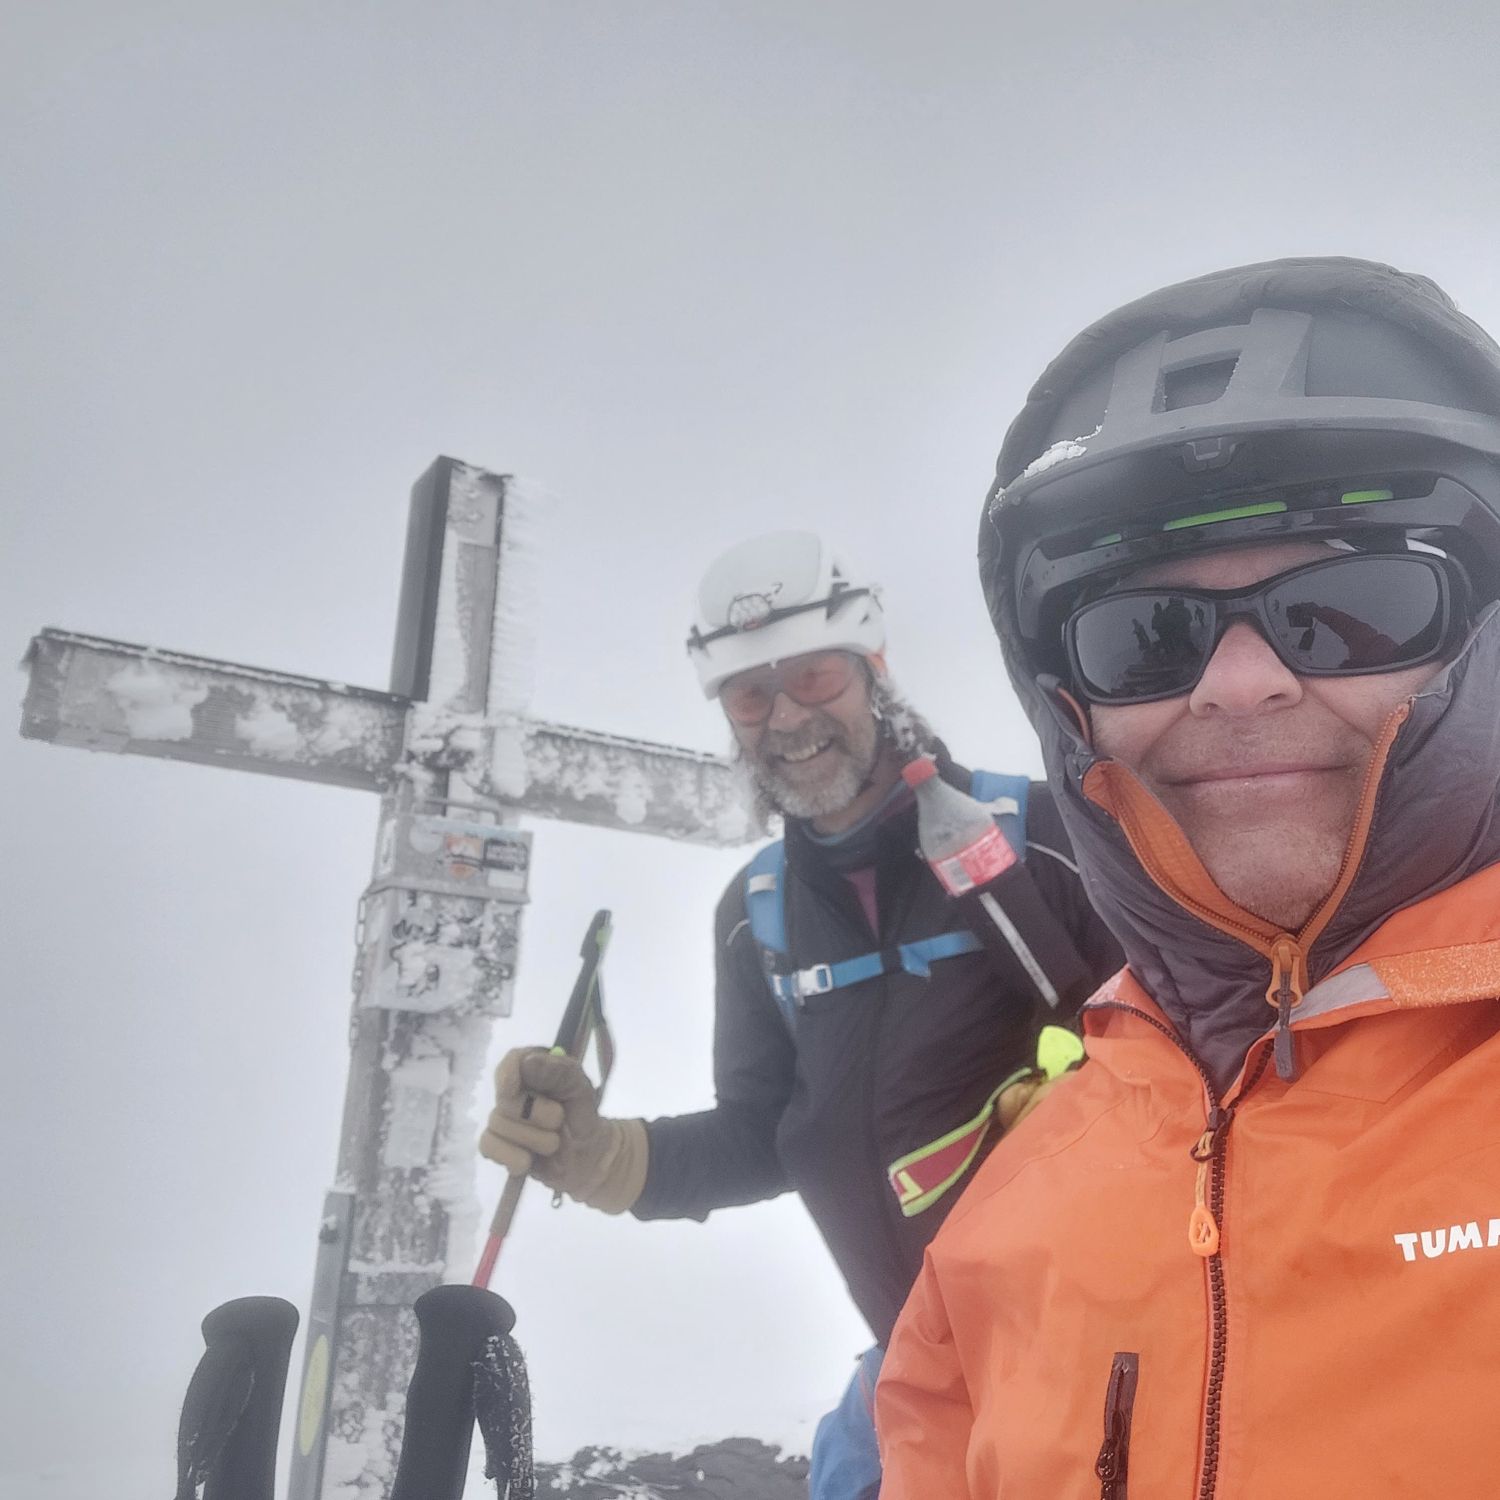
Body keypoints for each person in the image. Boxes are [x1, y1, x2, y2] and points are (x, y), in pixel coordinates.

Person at [876, 256, 1500, 1497]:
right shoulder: (1002, 1233)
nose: (1237, 683)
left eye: (1356, 605)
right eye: (1145, 636)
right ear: (1071, 712)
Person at [479, 529, 1121, 1499]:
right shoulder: (758, 915)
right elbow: (763, 1133)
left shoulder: (1047, 837)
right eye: (750, 695)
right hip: (915, 1372)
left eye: (813, 676)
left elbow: (1198, 1058)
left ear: (873, 670)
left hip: (1102, 1358)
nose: (786, 717)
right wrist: (599, 1156)